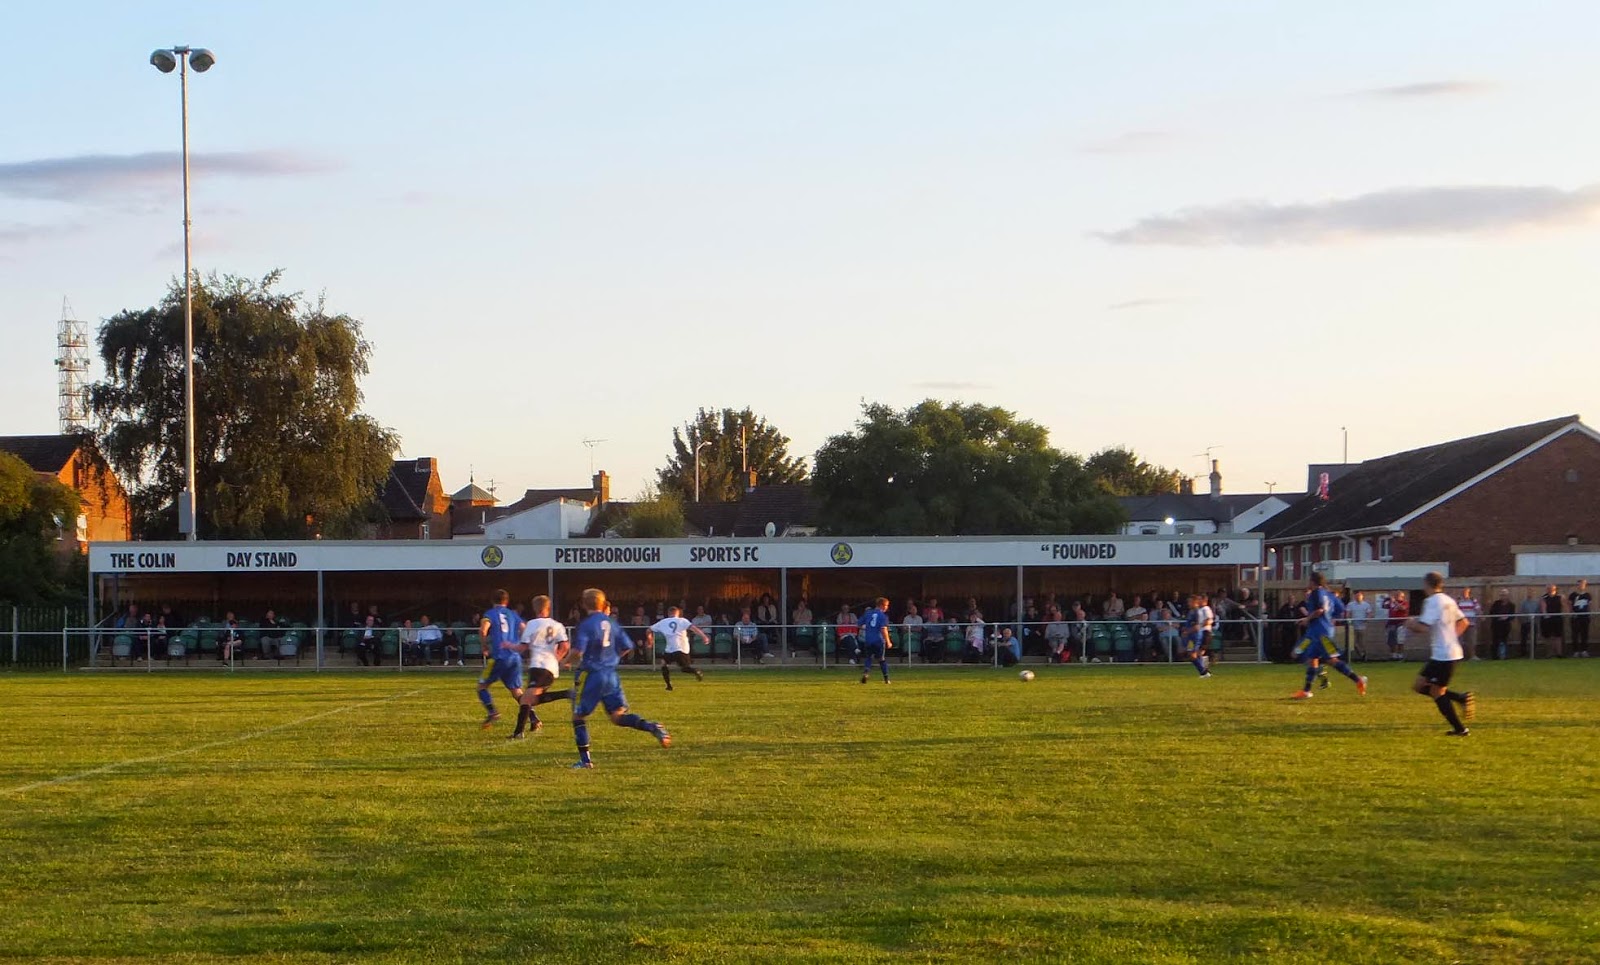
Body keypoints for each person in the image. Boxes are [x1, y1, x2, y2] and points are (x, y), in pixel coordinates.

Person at [566, 587, 671, 769]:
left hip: (594, 675)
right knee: (617, 716)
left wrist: (565, 661)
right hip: (611, 675)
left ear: (584, 604)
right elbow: (627, 646)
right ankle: (652, 727)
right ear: (602, 604)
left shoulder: (586, 624)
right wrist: (612, 658)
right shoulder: (612, 623)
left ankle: (585, 761)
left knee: (578, 716)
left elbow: (578, 651)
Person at [1405, 571, 1476, 736]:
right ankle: (1460, 698)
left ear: (1427, 584)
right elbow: (1464, 622)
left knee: (1437, 692)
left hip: (1444, 655)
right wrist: (1451, 638)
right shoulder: (1448, 600)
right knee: (1419, 686)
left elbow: (1423, 627)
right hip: (1446, 653)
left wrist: (1410, 624)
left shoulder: (1432, 601)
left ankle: (1460, 729)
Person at [1291, 574, 1367, 699]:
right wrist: (1330, 619)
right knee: (1313, 659)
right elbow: (1340, 609)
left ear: (1313, 582)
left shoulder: (1316, 593)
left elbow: (1320, 610)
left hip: (1320, 633)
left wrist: (1307, 619)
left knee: (1331, 660)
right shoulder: (1330, 594)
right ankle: (1306, 691)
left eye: (1309, 580)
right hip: (1319, 631)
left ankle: (1358, 680)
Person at [510, 595, 573, 739]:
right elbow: (565, 646)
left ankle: (518, 733)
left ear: (535, 608)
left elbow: (523, 647)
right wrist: (558, 659)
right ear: (548, 608)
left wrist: (509, 646)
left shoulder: (532, 624)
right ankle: (566, 694)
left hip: (539, 666)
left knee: (526, 699)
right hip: (550, 668)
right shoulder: (557, 625)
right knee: (531, 699)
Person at [474, 589, 526, 730]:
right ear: (507, 601)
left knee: (481, 687)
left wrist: (484, 646)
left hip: (499, 657)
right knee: (516, 691)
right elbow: (524, 629)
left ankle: (492, 712)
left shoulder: (490, 614)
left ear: (492, 600)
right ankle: (534, 719)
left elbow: (483, 630)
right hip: (514, 657)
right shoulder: (513, 614)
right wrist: (520, 645)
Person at [652, 604, 710, 690]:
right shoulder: (682, 621)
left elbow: (649, 630)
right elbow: (694, 628)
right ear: (678, 613)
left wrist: (649, 640)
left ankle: (670, 684)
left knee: (668, 665)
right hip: (681, 648)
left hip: (672, 648)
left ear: (668, 613)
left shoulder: (663, 622)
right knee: (680, 668)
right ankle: (669, 686)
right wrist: (704, 636)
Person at [857, 597, 893, 684]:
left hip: (868, 640)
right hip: (878, 640)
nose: (887, 607)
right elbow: (883, 629)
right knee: (881, 659)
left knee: (868, 657)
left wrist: (866, 628)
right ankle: (886, 679)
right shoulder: (883, 616)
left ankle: (866, 673)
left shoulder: (868, 613)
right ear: (882, 605)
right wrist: (888, 641)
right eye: (886, 605)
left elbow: (859, 624)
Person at [1180, 594, 1211, 678]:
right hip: (1191, 636)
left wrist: (1187, 632)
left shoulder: (1197, 612)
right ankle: (1204, 672)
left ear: (1195, 601)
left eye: (1190, 601)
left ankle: (1204, 672)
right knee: (1192, 654)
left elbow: (1197, 626)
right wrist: (1185, 629)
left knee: (1192, 654)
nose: (1188, 603)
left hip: (1195, 636)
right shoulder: (1191, 611)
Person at [1344, 591, 1373, 661]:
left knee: (1362, 642)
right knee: (1353, 643)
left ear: (1362, 596)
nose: (1358, 597)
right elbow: (1348, 613)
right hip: (1353, 626)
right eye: (1356, 596)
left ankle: (1364, 656)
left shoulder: (1366, 605)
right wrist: (1349, 620)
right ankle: (1361, 655)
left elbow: (1369, 614)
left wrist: (1366, 619)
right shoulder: (1350, 604)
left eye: (1359, 596)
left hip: (1363, 627)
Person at [1488, 589, 1515, 660]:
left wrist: (1507, 617)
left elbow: (1513, 616)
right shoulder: (1496, 604)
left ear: (1508, 596)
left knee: (1505, 641)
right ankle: (1495, 657)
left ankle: (1504, 656)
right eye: (1502, 595)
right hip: (1496, 625)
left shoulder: (1511, 605)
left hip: (1506, 626)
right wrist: (1498, 617)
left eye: (1505, 595)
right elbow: (1491, 613)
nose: (1503, 597)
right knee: (1495, 641)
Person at [1384, 592, 1411, 661]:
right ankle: (1393, 655)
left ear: (1402, 597)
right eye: (1396, 595)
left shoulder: (1405, 603)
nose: (1396, 597)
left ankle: (1400, 655)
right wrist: (1386, 599)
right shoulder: (1391, 603)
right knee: (1391, 641)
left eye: (1398, 596)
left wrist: (1395, 602)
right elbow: (1384, 606)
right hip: (1392, 624)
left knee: (1400, 641)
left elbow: (1402, 608)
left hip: (1401, 623)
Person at [1541, 584, 1566, 657]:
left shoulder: (1560, 597)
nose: (1550, 590)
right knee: (1548, 637)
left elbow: (1564, 607)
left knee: (1558, 636)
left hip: (1557, 619)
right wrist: (1546, 616)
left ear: (1555, 589)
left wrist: (1563, 614)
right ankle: (1549, 653)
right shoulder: (1544, 597)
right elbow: (1543, 608)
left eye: (1552, 588)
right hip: (1547, 619)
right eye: (1548, 588)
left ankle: (1559, 653)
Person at [1569, 580, 1592, 658]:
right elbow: (1570, 605)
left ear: (1585, 586)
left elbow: (1589, 605)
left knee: (1584, 634)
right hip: (1575, 617)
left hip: (1584, 617)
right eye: (1579, 584)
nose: (1581, 586)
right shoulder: (1573, 595)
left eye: (1582, 585)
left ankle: (1584, 651)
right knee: (1575, 635)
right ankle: (1575, 651)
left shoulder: (1587, 595)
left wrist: (1589, 614)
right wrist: (1572, 613)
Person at [1457, 588, 1482, 660]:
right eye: (1464, 592)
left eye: (1467, 592)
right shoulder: (1459, 601)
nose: (1465, 594)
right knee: (1459, 641)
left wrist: (1481, 615)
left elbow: (1478, 610)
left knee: (1472, 640)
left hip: (1471, 624)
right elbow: (1455, 610)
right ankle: (1459, 657)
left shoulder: (1473, 601)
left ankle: (1472, 656)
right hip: (1461, 624)